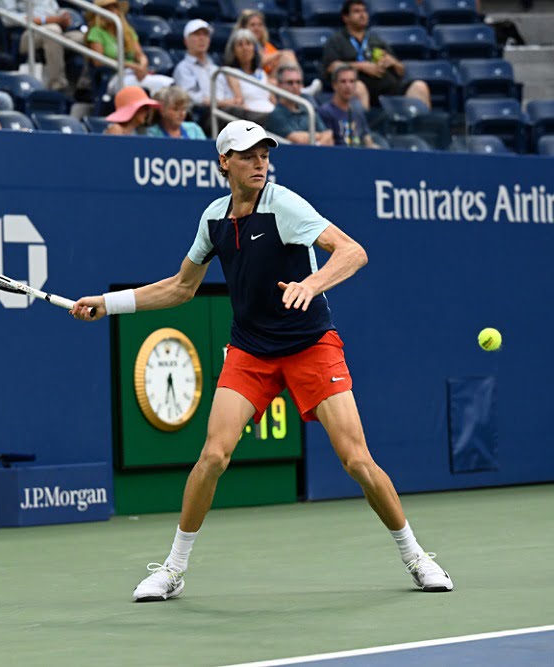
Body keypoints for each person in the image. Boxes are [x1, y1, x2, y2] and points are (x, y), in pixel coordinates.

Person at [69, 119, 454, 601]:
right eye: (249, 155)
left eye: (265, 154)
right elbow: (181, 287)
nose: (260, 163)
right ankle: (172, 569)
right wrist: (110, 303)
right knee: (213, 456)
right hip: (251, 350)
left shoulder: (285, 205)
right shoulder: (214, 218)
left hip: (311, 345)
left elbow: (352, 252)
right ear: (224, 163)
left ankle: (416, 556)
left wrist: (310, 285)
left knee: (356, 459)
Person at [321, 0, 429, 109]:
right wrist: (362, 66)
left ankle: (421, 126)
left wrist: (393, 62)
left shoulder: (376, 39)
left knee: (420, 86)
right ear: (346, 18)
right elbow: (331, 67)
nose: (362, 15)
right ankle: (362, 125)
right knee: (358, 88)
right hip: (360, 85)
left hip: (389, 87)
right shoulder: (337, 40)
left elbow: (401, 70)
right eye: (357, 11)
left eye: (364, 11)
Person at [0, 0, 84, 92]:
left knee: (85, 38)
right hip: (25, 33)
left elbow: (53, 9)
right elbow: (7, 19)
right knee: (52, 31)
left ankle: (84, 86)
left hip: (57, 27)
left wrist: (63, 16)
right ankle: (58, 85)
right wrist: (44, 20)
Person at [85, 0, 171, 95]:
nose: (112, 11)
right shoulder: (96, 31)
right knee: (133, 87)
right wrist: (131, 66)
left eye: (114, 7)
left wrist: (142, 66)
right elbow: (98, 62)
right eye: (107, 8)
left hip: (132, 73)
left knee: (167, 83)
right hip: (112, 76)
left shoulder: (127, 32)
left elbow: (140, 55)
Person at [172, 19, 238, 111]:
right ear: (186, 41)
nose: (202, 38)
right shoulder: (183, 68)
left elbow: (228, 94)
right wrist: (223, 103)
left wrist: (230, 102)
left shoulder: (215, 69)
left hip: (224, 110)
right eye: (197, 34)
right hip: (204, 113)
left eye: (205, 34)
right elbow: (192, 99)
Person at [264, 63, 332, 146]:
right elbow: (297, 140)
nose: (295, 86)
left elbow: (329, 136)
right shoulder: (275, 114)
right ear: (279, 85)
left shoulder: (308, 108)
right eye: (290, 82)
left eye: (298, 82)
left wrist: (315, 145)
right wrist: (319, 138)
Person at [318, 64, 376, 148]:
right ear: (334, 85)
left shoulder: (357, 109)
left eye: (352, 81)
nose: (348, 86)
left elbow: (367, 139)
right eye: (343, 81)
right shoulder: (325, 112)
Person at [223, 28, 272, 117]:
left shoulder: (262, 73)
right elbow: (239, 101)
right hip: (251, 116)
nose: (245, 48)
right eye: (240, 45)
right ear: (234, 51)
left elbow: (272, 100)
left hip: (270, 113)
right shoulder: (231, 73)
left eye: (248, 44)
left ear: (254, 48)